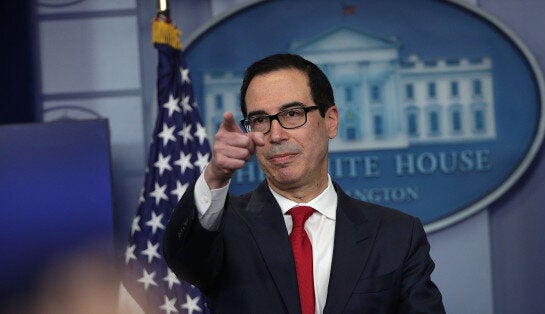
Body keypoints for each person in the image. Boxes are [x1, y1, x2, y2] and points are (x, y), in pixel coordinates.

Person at [164, 53, 445, 313]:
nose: (275, 135)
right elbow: (184, 260)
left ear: (330, 121)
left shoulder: (397, 235)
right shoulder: (221, 227)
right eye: (260, 120)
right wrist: (215, 175)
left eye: (292, 114)